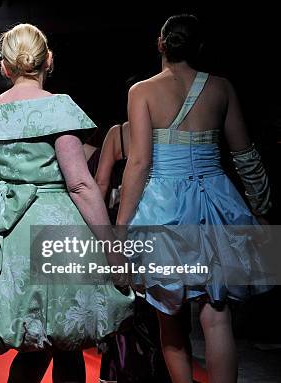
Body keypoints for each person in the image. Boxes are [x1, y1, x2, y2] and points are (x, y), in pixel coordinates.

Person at [0, 23, 134, 383]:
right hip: (57, 232)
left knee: (32, 347)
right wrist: (113, 250)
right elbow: (82, 185)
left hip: (8, 236)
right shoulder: (58, 108)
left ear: (5, 67)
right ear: (48, 60)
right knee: (67, 343)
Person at [116, 14, 272, 383]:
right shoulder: (222, 88)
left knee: (168, 316)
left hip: (164, 206)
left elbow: (138, 163)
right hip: (215, 203)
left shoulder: (142, 91)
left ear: (161, 44)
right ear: (199, 47)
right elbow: (245, 154)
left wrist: (120, 227)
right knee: (216, 316)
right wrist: (262, 207)